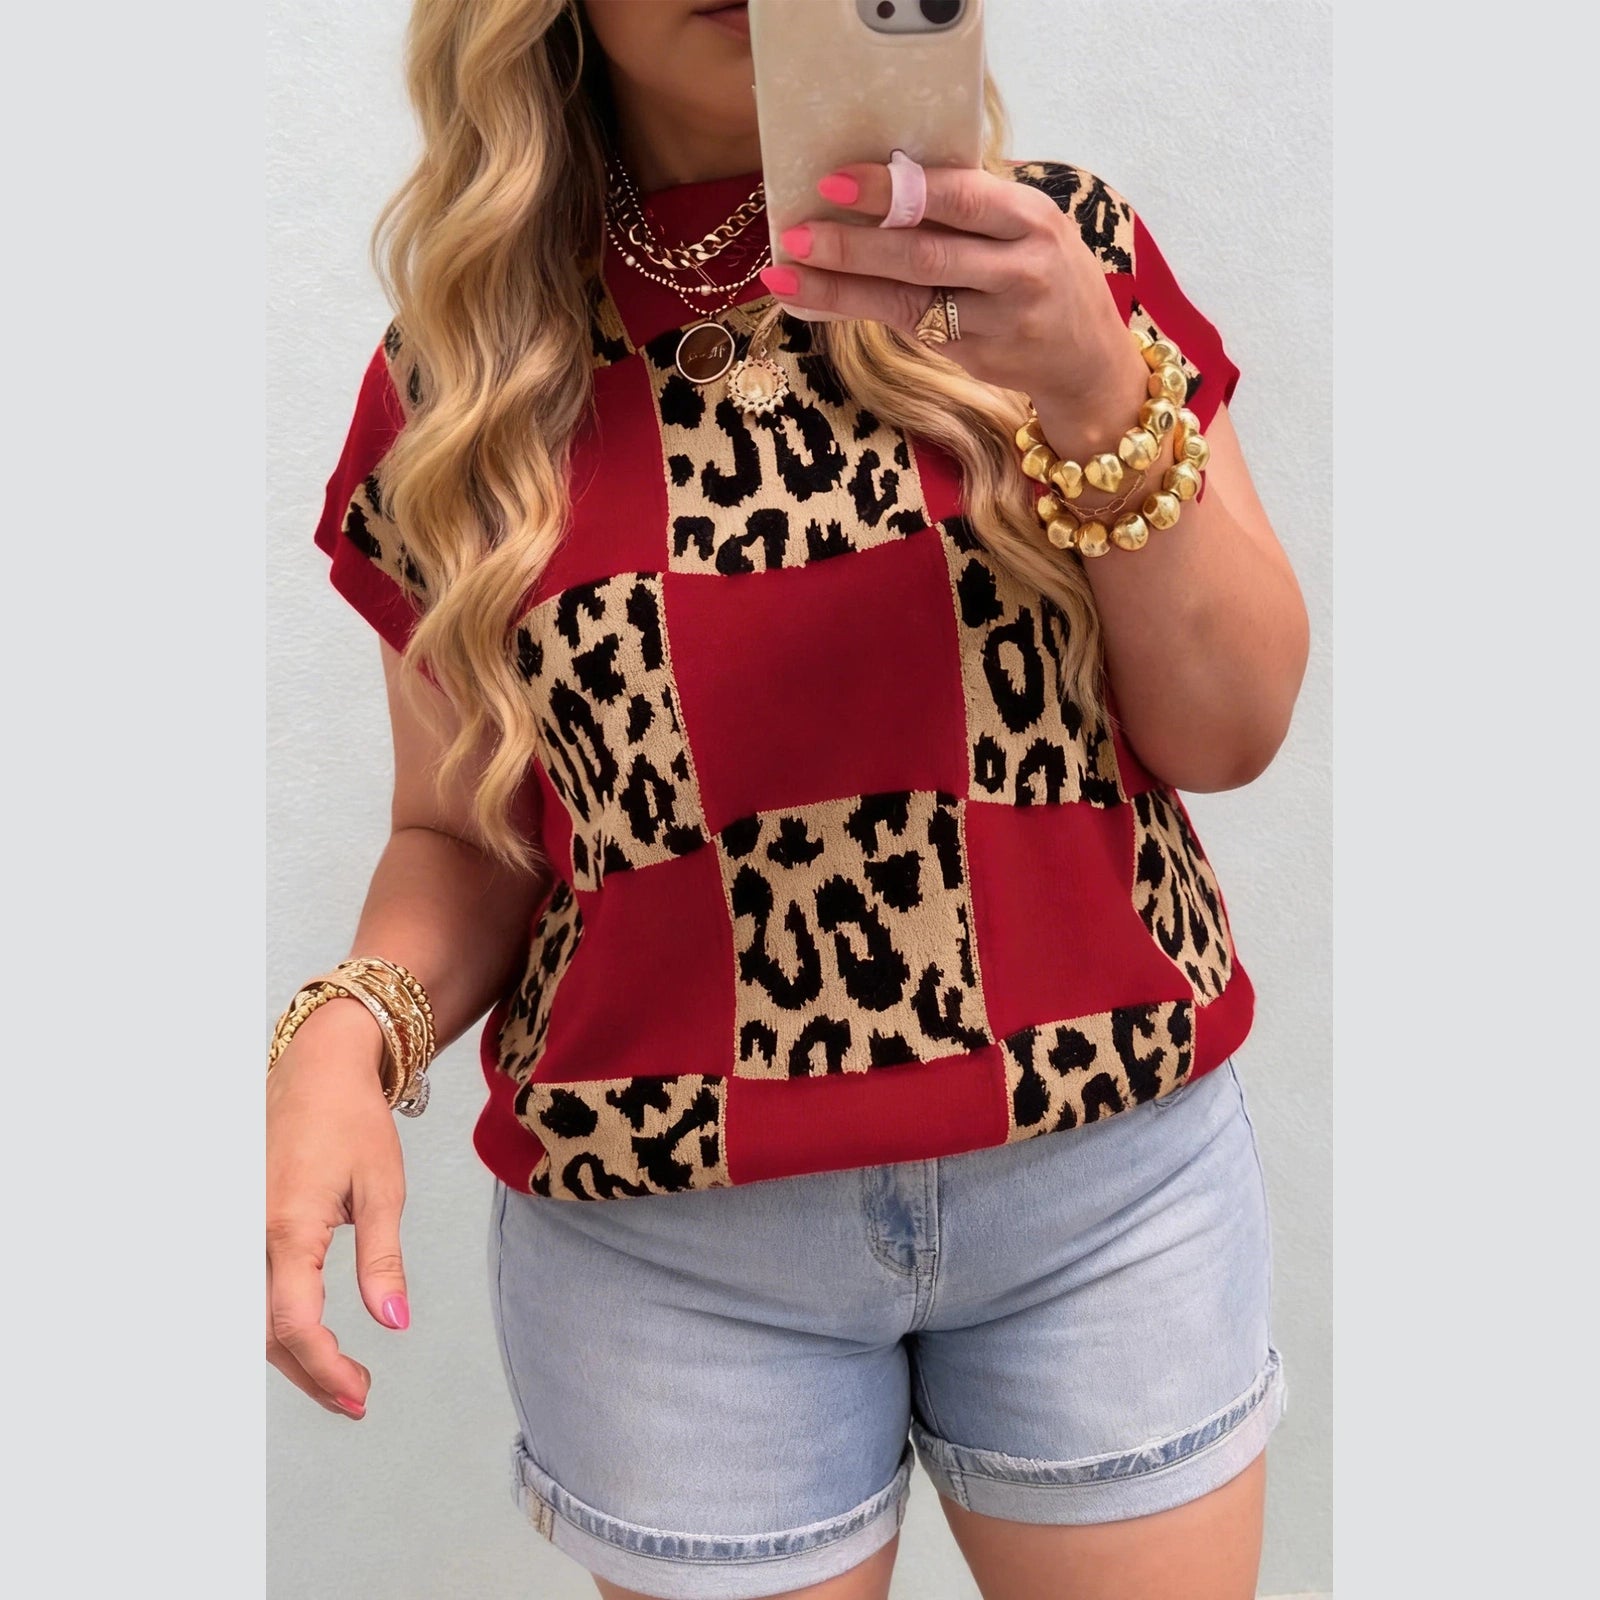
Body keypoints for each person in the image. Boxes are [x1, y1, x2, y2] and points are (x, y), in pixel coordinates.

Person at [266, 1, 1310, 1596]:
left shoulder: (1048, 261)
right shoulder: (463, 381)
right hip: (672, 1245)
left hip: (1105, 1184)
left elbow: (1232, 728)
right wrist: (353, 1019)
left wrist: (1097, 385)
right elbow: (464, 834)